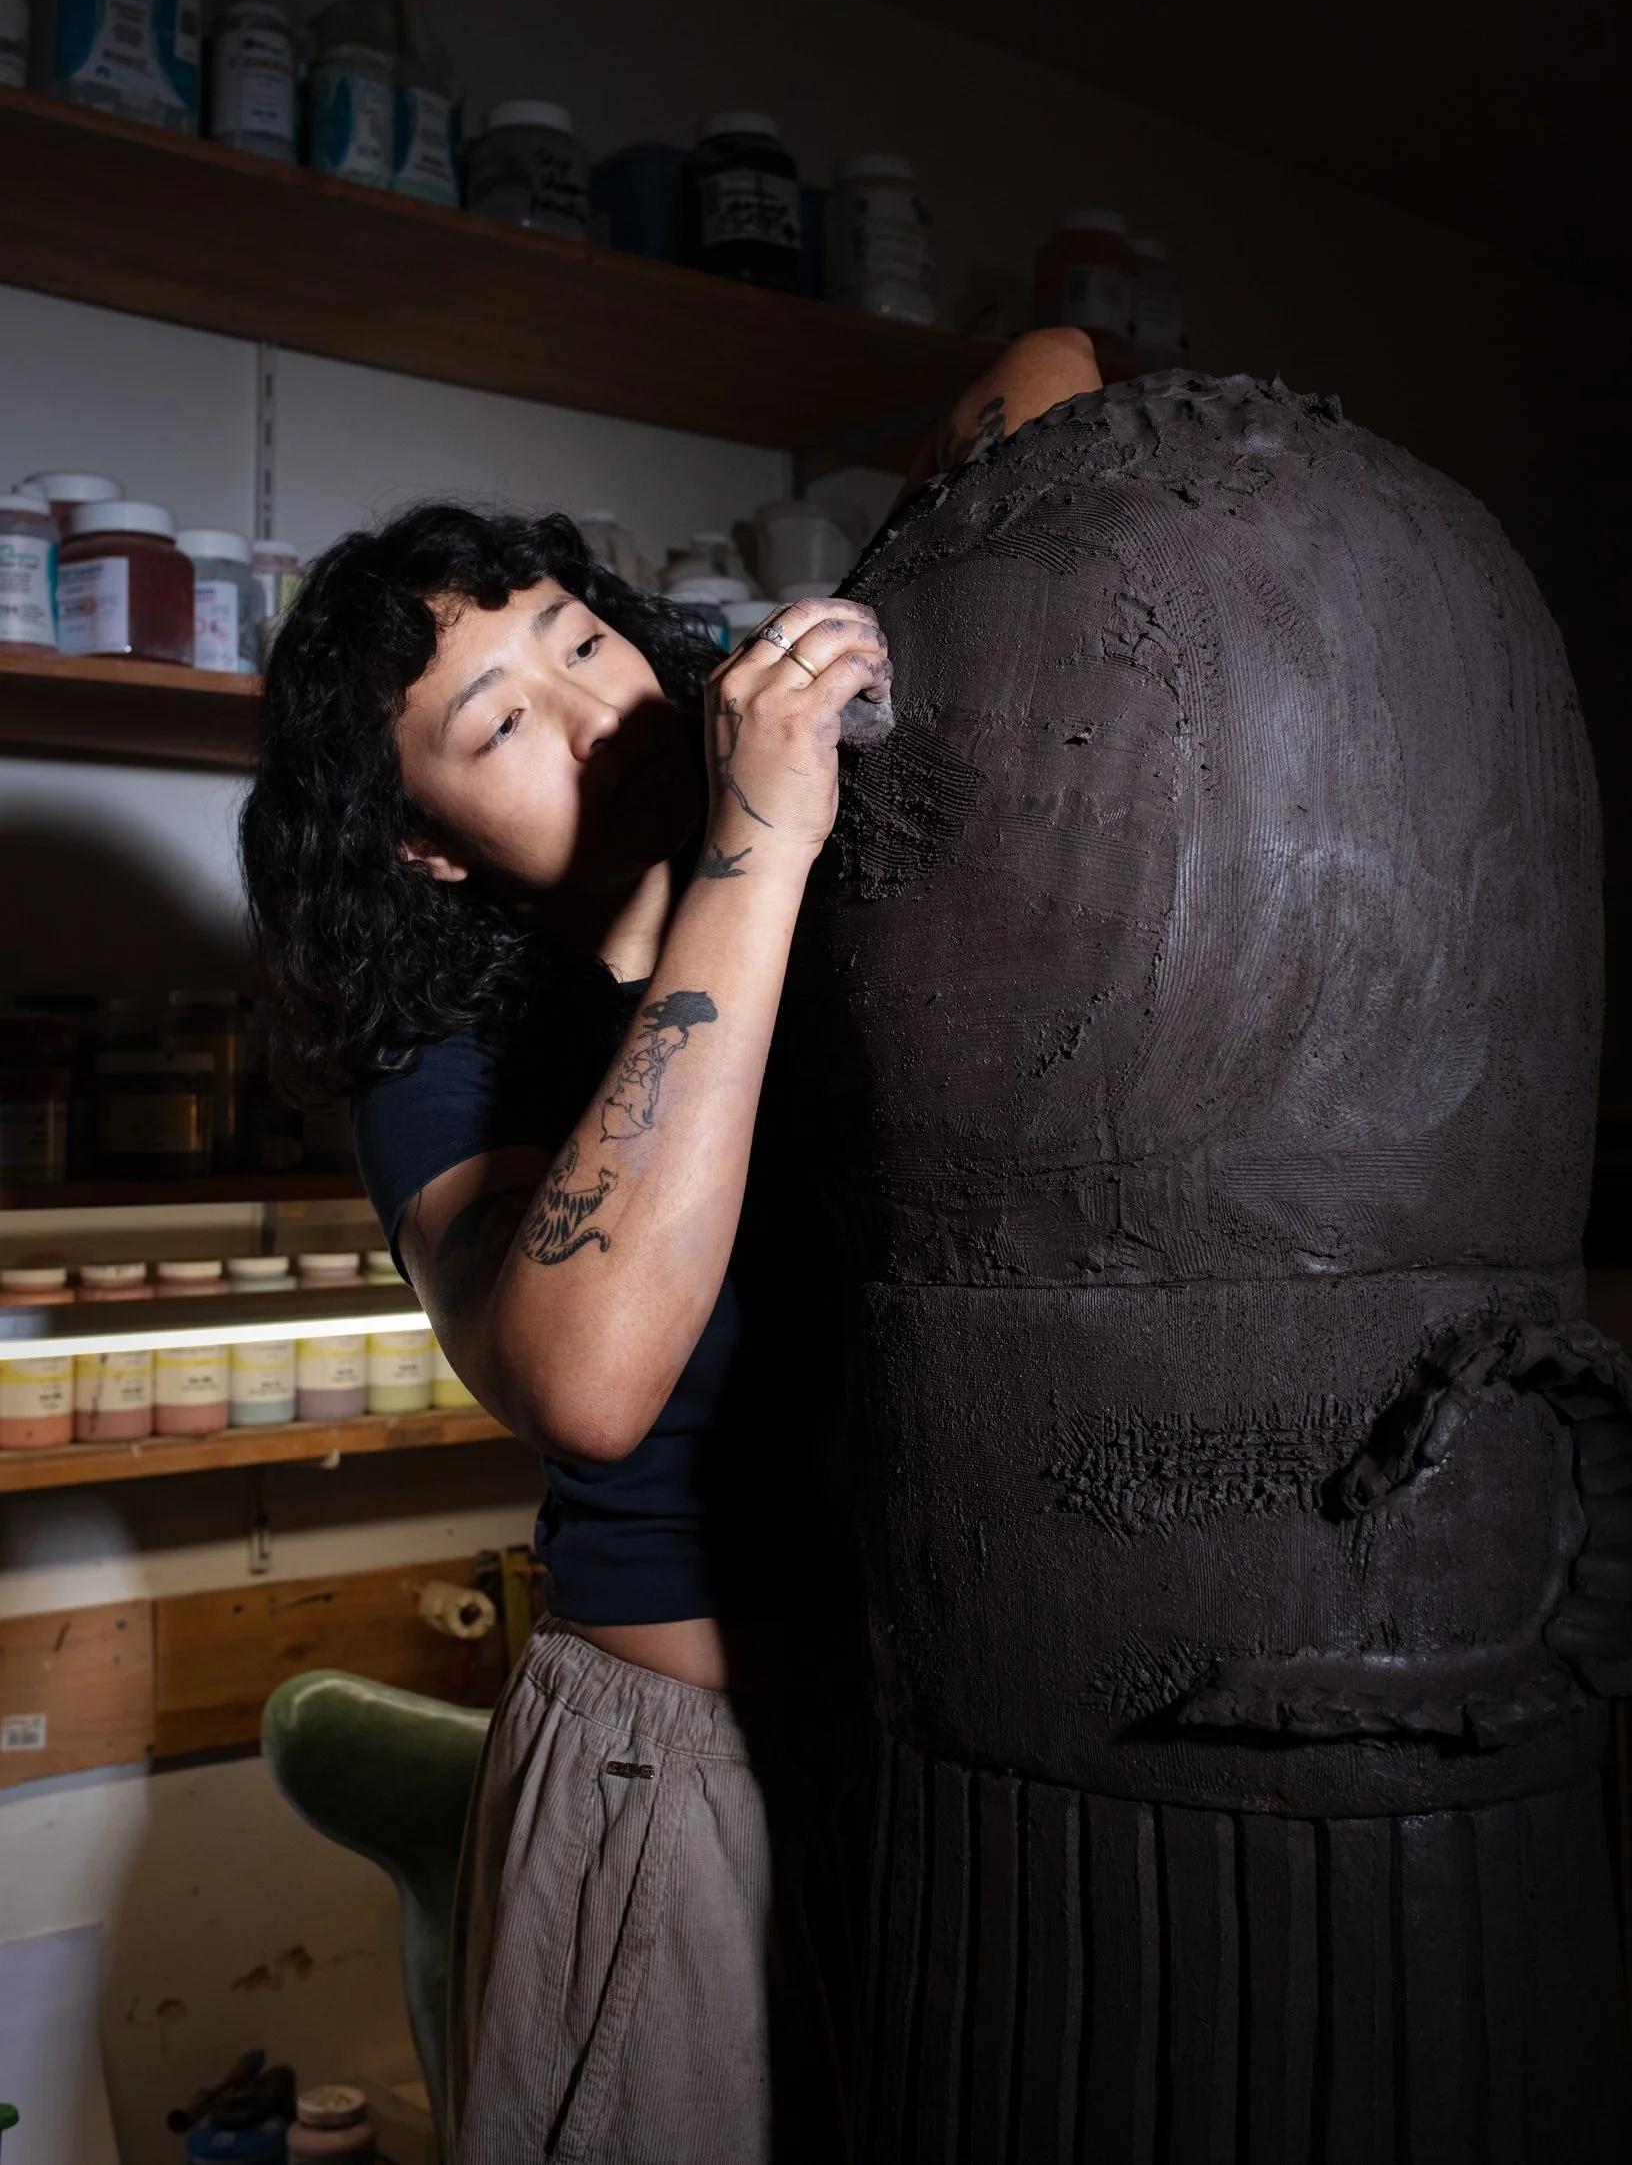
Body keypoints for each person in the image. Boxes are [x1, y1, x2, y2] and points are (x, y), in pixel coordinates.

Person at [239, 325, 1101, 2165]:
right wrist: (750, 854)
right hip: (677, 1789)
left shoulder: (836, 875)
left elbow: (1049, 373)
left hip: (947, 1742)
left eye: (578, 640)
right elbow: (590, 1382)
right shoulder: (443, 1059)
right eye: (496, 726)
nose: (589, 710)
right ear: (425, 850)